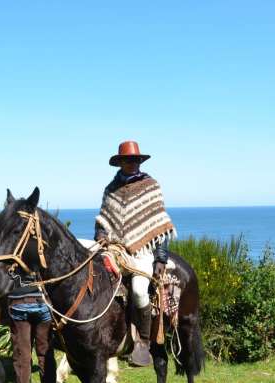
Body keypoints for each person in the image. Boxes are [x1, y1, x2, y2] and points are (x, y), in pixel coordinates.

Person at [94, 140, 175, 366]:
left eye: (135, 159)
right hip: (115, 249)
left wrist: (160, 257)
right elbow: (103, 220)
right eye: (127, 160)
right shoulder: (110, 189)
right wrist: (101, 236)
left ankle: (144, 342)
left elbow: (159, 224)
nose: (132, 163)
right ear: (119, 162)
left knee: (140, 291)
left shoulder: (150, 186)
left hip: (143, 251)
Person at [6, 266, 56, 383]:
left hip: (18, 301)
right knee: (45, 351)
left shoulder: (11, 249)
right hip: (41, 301)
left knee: (22, 355)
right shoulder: (42, 249)